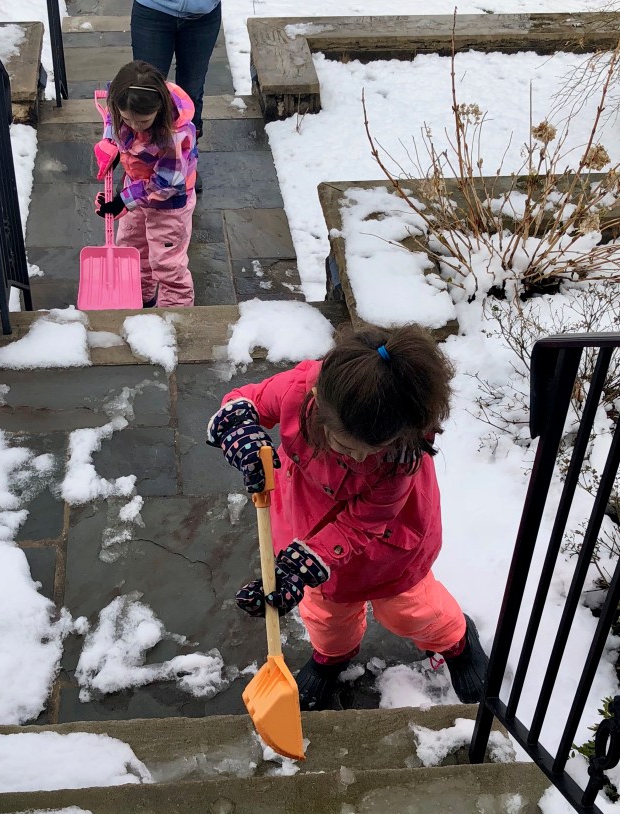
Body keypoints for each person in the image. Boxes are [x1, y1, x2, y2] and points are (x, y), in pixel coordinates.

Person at [207, 325, 489, 711]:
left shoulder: (401, 458)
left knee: (409, 609)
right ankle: (332, 657)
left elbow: (362, 523)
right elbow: (246, 401)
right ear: (317, 403)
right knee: (325, 614)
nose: (358, 458)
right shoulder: (297, 389)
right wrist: (241, 433)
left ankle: (456, 641)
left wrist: (303, 566)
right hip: (306, 522)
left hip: (387, 545)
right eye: (345, 444)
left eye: (372, 450)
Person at [93, 60, 197, 307]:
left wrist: (123, 200)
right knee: (132, 248)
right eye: (127, 119)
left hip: (169, 204)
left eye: (142, 122)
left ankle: (175, 316)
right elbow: (112, 120)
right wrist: (110, 144)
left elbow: (166, 182)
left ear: (159, 110)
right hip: (138, 190)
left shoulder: (174, 136)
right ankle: (139, 298)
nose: (134, 126)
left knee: (167, 262)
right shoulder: (122, 103)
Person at [130, 0, 222, 190]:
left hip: (203, 16)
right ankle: (141, 163)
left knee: (192, 93)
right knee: (146, 91)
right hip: (152, 11)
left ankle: (185, 161)